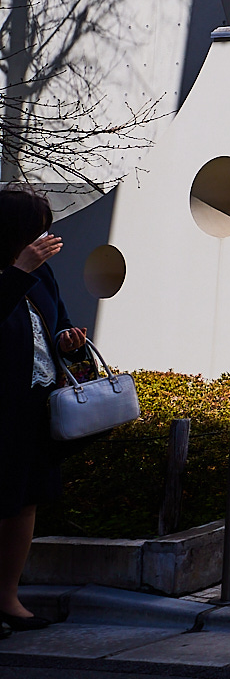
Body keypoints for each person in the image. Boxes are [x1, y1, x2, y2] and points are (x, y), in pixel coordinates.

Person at [0, 187, 81, 636]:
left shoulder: (42, 275)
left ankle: (7, 598)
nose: (44, 238)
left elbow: (58, 322)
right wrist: (18, 271)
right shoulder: (20, 270)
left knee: (23, 500)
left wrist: (69, 339)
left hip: (34, 403)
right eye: (36, 229)